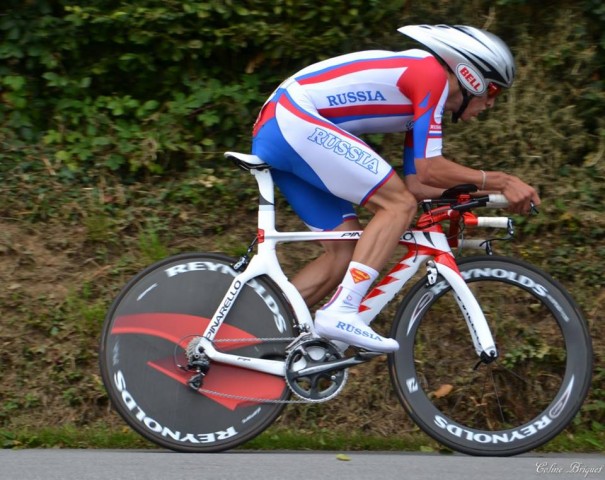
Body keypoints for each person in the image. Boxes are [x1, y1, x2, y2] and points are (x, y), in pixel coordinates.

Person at [251, 24, 541, 353]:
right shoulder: (430, 76)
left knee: (344, 253)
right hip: (294, 120)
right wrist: (502, 181)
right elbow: (428, 172)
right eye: (493, 92)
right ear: (471, 76)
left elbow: (419, 182)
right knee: (397, 206)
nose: (490, 104)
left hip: (282, 128)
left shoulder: (423, 96)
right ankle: (342, 310)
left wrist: (488, 198)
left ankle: (249, 342)